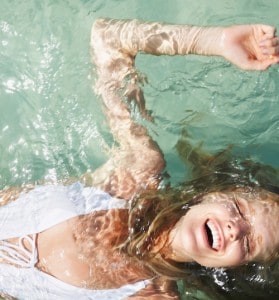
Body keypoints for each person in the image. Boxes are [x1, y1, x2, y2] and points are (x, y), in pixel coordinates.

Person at [0, 18, 279, 300]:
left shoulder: (151, 295)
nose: (236, 228)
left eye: (250, 243)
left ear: (237, 269)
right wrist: (215, 41)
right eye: (240, 209)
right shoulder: (135, 175)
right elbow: (108, 37)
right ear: (212, 195)